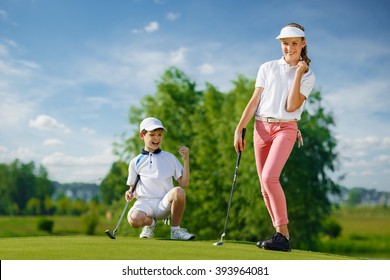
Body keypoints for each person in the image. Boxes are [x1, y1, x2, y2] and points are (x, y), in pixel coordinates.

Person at [233, 23, 315, 252]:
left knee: (270, 177)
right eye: (285, 43)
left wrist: (298, 72)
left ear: (303, 44)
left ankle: (283, 236)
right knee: (264, 186)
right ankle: (279, 235)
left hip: (286, 129)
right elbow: (255, 99)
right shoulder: (267, 67)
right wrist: (239, 127)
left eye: (294, 43)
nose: (289, 48)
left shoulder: (308, 76)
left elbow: (290, 106)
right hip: (261, 128)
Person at [125, 117, 195, 240]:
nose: (157, 138)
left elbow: (184, 183)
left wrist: (186, 160)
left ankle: (175, 231)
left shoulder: (170, 158)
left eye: (159, 135)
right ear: (142, 135)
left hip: (163, 204)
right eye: (152, 135)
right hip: (144, 203)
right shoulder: (135, 162)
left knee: (179, 191)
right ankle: (151, 224)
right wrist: (129, 193)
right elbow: (132, 188)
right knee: (134, 220)